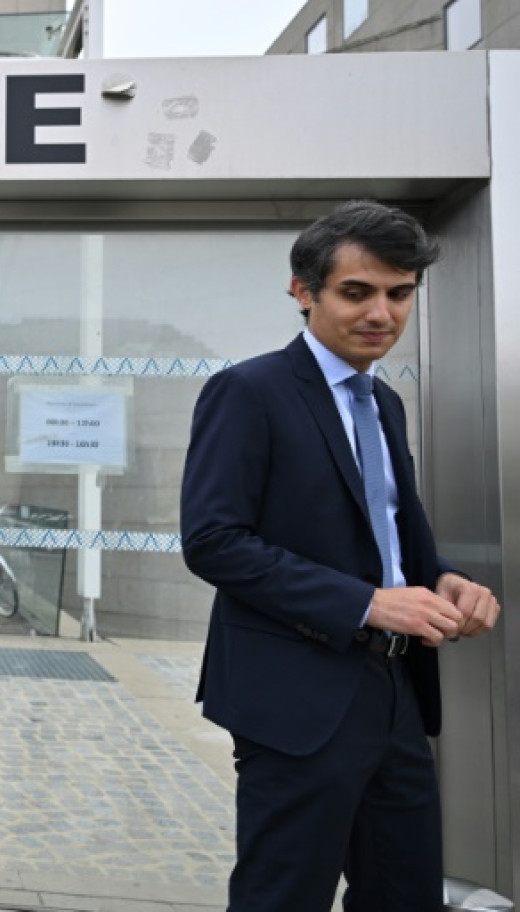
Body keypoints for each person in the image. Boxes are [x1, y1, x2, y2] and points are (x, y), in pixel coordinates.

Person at [180, 199, 501, 912]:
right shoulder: (249, 391)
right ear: (304, 291)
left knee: (405, 894)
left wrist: (446, 581)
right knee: (285, 897)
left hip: (395, 690)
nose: (381, 312)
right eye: (357, 292)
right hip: (295, 696)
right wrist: (365, 602)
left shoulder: (384, 403)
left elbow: (390, 536)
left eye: (399, 293)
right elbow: (212, 541)